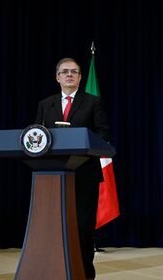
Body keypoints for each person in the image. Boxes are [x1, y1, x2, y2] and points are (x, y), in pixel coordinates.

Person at [35, 57, 110, 280]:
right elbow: (36, 137)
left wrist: (81, 143)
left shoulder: (93, 102)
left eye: (74, 72)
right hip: (51, 176)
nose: (69, 75)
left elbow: (103, 135)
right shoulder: (45, 104)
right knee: (52, 228)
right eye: (65, 72)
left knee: (82, 229)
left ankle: (84, 274)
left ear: (79, 77)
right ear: (57, 77)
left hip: (84, 175)